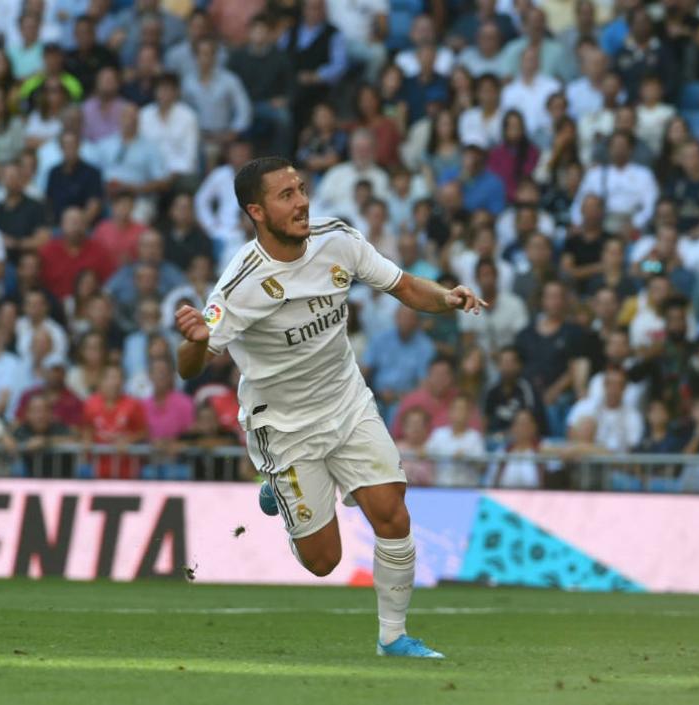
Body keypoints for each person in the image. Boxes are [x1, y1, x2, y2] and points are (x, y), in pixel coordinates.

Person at [174, 157, 487, 658]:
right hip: (283, 426)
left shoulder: (337, 239)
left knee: (393, 515)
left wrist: (447, 297)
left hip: (347, 403)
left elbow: (404, 285)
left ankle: (393, 638)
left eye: (301, 189)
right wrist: (193, 342)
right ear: (256, 211)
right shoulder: (240, 285)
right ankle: (277, 486)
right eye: (286, 195)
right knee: (324, 561)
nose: (301, 202)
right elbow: (192, 366)